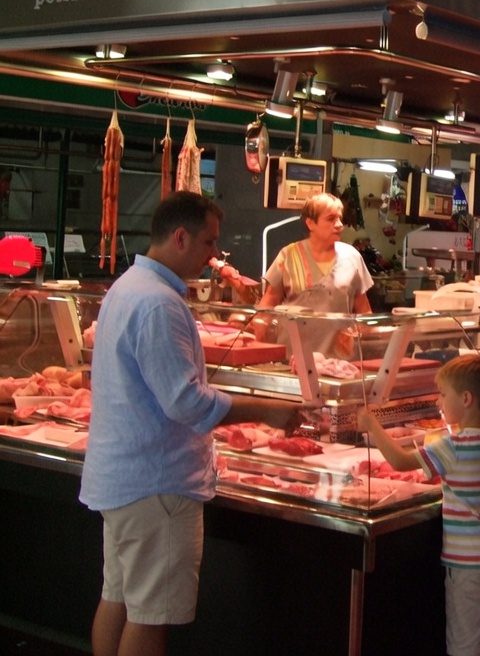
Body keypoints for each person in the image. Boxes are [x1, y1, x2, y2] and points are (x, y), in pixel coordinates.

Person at [79, 192, 308, 656]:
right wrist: (266, 410)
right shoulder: (159, 304)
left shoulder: (127, 286)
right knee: (150, 616)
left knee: (118, 598)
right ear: (180, 237)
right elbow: (185, 402)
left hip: (123, 479)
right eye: (209, 243)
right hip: (157, 486)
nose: (213, 256)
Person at [359, 355, 480, 656]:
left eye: (443, 394)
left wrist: (372, 426)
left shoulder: (452, 446)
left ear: (467, 398)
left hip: (469, 565)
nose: (439, 401)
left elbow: (400, 462)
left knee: (465, 645)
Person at [255, 192, 374, 358]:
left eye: (340, 218)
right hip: (292, 358)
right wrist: (257, 349)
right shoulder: (288, 255)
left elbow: (364, 312)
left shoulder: (352, 257)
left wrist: (357, 334)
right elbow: (266, 308)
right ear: (311, 223)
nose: (339, 224)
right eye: (331, 219)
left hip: (336, 362)